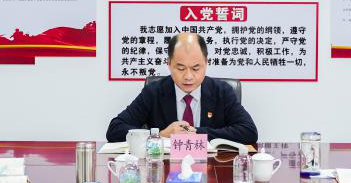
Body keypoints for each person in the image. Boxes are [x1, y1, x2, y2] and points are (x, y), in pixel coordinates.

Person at [106, 32, 258, 144]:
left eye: (196, 68)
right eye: (180, 68)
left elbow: (249, 131)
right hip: (164, 168)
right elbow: (114, 130)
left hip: (212, 167)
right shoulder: (154, 92)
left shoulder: (222, 91)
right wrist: (160, 135)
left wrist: (198, 133)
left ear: (206, 63)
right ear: (169, 63)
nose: (188, 76)